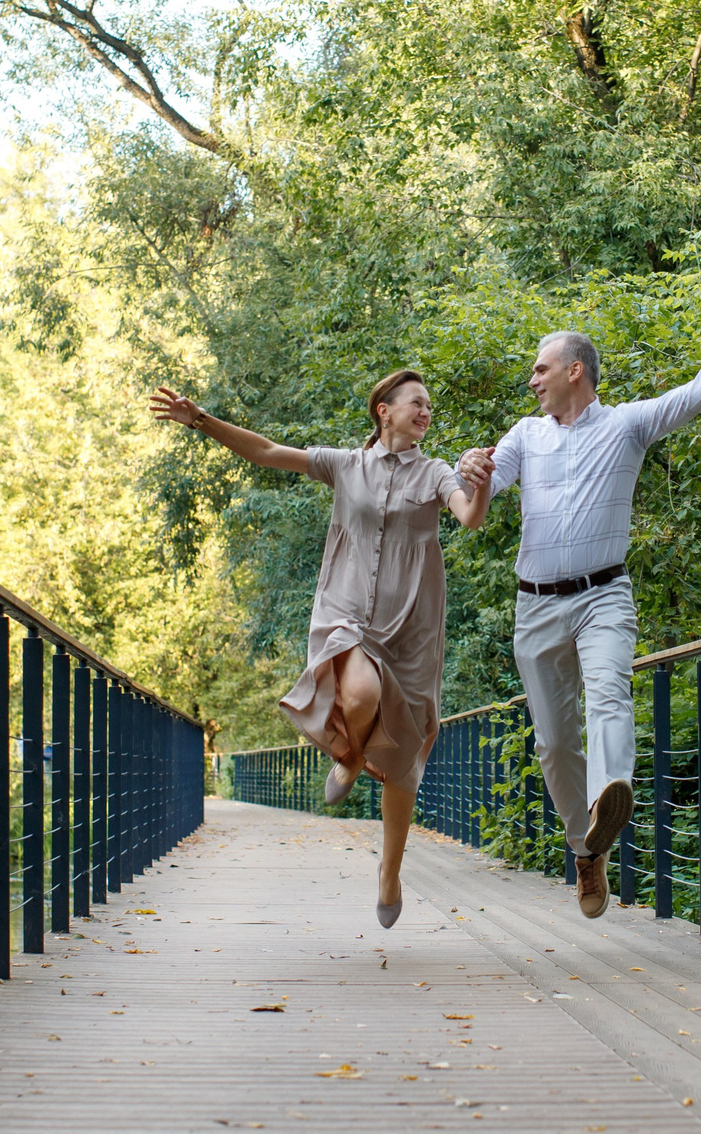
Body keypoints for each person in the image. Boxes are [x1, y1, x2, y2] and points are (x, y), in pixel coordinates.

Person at [457, 290, 701, 918]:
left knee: (610, 693)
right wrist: (472, 467)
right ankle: (586, 851)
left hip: (604, 596)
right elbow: (483, 482)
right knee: (554, 742)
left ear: (576, 371)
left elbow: (696, 394)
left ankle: (611, 793)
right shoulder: (525, 435)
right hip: (536, 606)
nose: (532, 378)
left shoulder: (627, 425)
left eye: (542, 368)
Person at [150, 370, 488, 925]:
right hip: (347, 615)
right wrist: (201, 421)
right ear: (384, 410)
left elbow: (470, 517)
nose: (426, 412)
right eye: (416, 404)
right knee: (357, 693)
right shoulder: (343, 465)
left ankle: (390, 871)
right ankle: (350, 753)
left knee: (403, 764)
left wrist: (483, 482)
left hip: (411, 631)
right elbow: (265, 451)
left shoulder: (434, 473)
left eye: (429, 405)